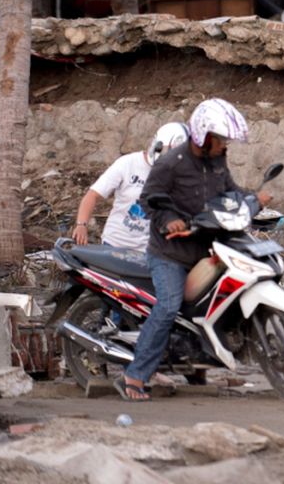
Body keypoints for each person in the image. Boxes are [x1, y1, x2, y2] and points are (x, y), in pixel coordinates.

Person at [116, 98, 271, 402]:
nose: (225, 145)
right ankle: (134, 375)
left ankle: (197, 362)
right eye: (221, 139)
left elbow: (229, 192)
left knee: (220, 299)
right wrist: (169, 219)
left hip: (207, 248)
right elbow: (150, 199)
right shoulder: (169, 163)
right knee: (169, 306)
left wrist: (253, 199)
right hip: (169, 254)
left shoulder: (217, 162)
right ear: (202, 137)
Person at [71, 122, 191, 250]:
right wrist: (81, 225)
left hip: (146, 250)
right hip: (113, 243)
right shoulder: (127, 164)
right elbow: (93, 195)